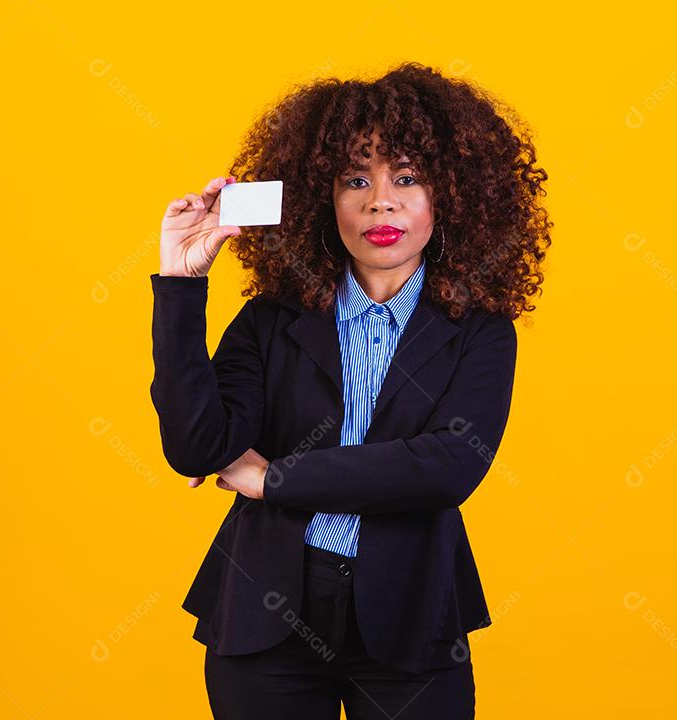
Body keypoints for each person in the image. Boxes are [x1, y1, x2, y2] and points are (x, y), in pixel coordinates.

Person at [149, 61, 551, 719]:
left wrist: (273, 478)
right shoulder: (273, 319)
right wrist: (182, 282)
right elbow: (197, 447)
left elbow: (444, 468)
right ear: (320, 198)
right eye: (355, 179)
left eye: (408, 177)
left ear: (452, 193)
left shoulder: (480, 333)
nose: (379, 202)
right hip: (266, 619)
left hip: (410, 622)